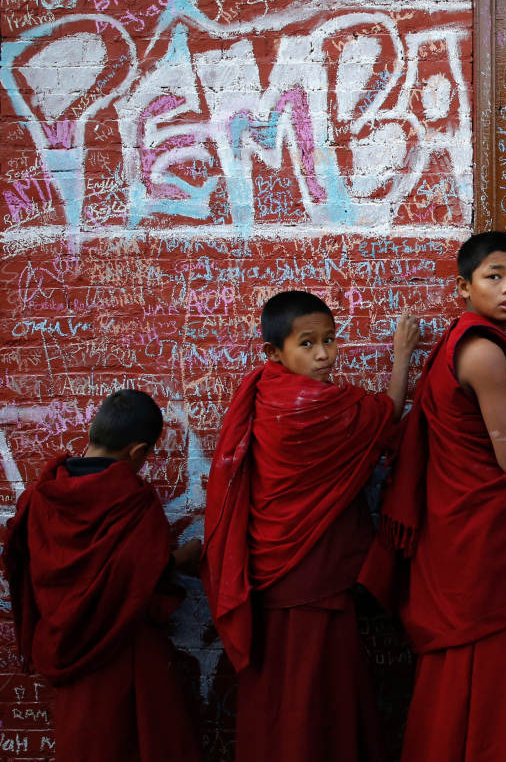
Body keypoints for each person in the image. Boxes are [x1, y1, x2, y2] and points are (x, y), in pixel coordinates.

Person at [359, 230, 506, 762]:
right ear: (464, 287)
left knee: (464, 667)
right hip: (485, 535)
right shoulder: (484, 353)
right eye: (494, 277)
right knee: (492, 662)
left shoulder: (466, 338)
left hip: (460, 526)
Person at [203, 290, 418, 762]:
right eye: (307, 344)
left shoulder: (264, 393)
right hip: (302, 573)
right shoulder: (313, 406)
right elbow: (387, 417)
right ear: (274, 353)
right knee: (317, 695)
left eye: (329, 340)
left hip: (286, 568)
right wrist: (403, 356)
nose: (324, 355)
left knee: (291, 695)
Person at [2, 389, 201, 762]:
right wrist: (181, 559)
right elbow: (144, 581)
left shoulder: (39, 499)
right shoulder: (133, 503)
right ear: (138, 453)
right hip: (124, 659)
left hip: (66, 657)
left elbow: (28, 579)